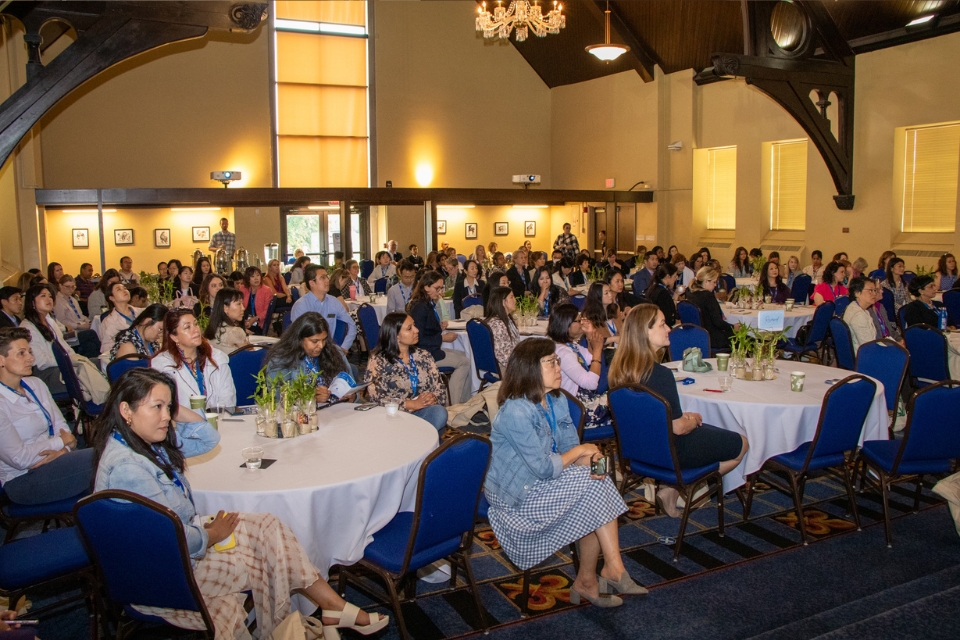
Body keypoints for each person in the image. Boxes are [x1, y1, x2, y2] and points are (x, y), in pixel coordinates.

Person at [92, 368, 388, 638]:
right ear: (126, 411)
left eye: (168, 407)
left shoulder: (141, 443)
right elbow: (169, 538)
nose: (166, 416)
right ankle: (316, 617)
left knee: (269, 527)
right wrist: (211, 536)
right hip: (167, 572)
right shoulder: (128, 468)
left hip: (185, 544)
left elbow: (208, 438)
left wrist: (172, 407)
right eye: (156, 407)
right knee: (266, 559)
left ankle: (329, 607)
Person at [484, 338, 643, 606]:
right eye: (551, 362)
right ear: (530, 369)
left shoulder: (556, 400)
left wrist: (595, 463)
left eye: (557, 361)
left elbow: (570, 447)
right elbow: (546, 467)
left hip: (543, 479)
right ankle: (606, 572)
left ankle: (595, 578)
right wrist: (582, 452)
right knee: (594, 491)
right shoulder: (516, 411)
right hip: (516, 495)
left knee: (597, 484)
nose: (559, 368)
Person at [608, 304, 749, 517]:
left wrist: (684, 418)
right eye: (662, 324)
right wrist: (692, 421)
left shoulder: (619, 371)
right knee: (742, 443)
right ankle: (679, 486)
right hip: (671, 453)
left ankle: (672, 489)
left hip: (638, 450)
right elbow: (679, 428)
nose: (669, 329)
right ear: (645, 332)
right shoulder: (659, 374)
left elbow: (652, 416)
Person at [0, 327, 94, 505]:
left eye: (29, 351)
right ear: (1, 360)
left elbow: (64, 429)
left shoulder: (36, 384)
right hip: (22, 480)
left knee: (110, 459)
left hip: (57, 461)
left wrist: (63, 450)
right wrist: (61, 442)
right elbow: (20, 458)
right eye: (21, 353)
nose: (31, 358)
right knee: (102, 458)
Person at [364, 312, 448, 431]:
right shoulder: (378, 360)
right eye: (409, 328)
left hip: (423, 413)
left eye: (414, 325)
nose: (417, 330)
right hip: (394, 415)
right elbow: (376, 397)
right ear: (396, 335)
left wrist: (433, 397)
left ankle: (415, 438)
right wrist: (410, 404)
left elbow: (440, 387)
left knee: (439, 413)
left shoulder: (423, 355)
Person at [407, 271, 471, 404]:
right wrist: (443, 338)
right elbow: (418, 339)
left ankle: (463, 402)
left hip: (430, 349)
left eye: (441, 288)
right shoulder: (420, 307)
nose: (440, 292)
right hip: (424, 354)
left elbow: (426, 329)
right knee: (465, 362)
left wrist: (438, 328)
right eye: (438, 288)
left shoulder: (425, 303)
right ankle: (452, 404)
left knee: (466, 356)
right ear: (426, 287)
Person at [151, 309, 236, 409]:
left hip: (218, 420)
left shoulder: (216, 357)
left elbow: (228, 397)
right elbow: (167, 405)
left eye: (196, 324)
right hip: (182, 423)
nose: (196, 330)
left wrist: (214, 419)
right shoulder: (162, 364)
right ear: (174, 337)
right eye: (187, 327)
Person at [263, 313, 350, 405]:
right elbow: (277, 395)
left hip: (336, 411)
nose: (321, 346)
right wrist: (310, 397)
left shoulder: (335, 352)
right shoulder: (282, 358)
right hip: (301, 415)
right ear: (299, 339)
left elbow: (351, 384)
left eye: (324, 340)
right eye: (314, 341)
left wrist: (352, 396)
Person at [549, 304, 610, 430]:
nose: (583, 323)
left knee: (619, 394)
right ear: (566, 325)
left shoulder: (569, 346)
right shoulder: (563, 353)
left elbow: (589, 358)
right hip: (577, 410)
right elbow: (591, 383)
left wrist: (589, 336)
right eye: (578, 320)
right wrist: (598, 350)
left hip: (579, 402)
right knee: (622, 402)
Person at [20, 284, 74, 395]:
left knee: (96, 364)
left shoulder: (49, 321)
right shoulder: (27, 327)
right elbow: (41, 361)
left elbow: (64, 346)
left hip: (61, 366)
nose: (48, 299)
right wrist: (68, 361)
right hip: (45, 374)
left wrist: (74, 358)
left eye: (50, 296)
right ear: (32, 302)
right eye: (43, 296)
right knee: (85, 373)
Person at [290, 264, 357, 352]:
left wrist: (344, 347)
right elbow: (299, 336)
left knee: (351, 366)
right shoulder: (301, 305)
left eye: (327, 276)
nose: (327, 280)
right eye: (322, 277)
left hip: (329, 350)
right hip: (307, 352)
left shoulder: (333, 301)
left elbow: (351, 324)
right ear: (312, 283)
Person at [844, 277, 900, 353]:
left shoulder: (860, 308)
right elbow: (869, 347)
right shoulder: (858, 316)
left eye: (875, 290)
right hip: (865, 356)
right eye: (870, 290)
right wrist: (893, 346)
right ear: (857, 293)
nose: (874, 293)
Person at [685, 267, 735, 352]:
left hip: (696, 336)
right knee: (747, 338)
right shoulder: (708, 296)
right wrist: (733, 327)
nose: (715, 285)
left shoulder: (690, 295)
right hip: (713, 338)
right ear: (706, 281)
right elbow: (718, 322)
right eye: (714, 282)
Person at [54, 275, 101, 359]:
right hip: (69, 333)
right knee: (92, 333)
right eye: (67, 287)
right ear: (60, 286)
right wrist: (79, 326)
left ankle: (95, 363)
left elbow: (80, 315)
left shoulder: (73, 299)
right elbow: (62, 321)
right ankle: (101, 355)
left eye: (73, 287)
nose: (70, 289)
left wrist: (89, 321)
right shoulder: (57, 301)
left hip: (79, 329)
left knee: (90, 345)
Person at [98, 282, 142, 361]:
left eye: (125, 288)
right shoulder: (109, 322)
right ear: (112, 298)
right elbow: (107, 349)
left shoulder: (140, 313)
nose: (124, 290)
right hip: (125, 359)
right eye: (119, 289)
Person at [203, 289, 252, 354]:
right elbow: (249, 357)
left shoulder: (211, 329)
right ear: (225, 308)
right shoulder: (236, 331)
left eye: (242, 303)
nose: (243, 308)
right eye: (239, 304)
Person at [484, 286, 520, 373]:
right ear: (503, 302)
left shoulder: (507, 319)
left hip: (511, 361)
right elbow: (502, 355)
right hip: (505, 368)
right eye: (511, 297)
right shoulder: (498, 324)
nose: (515, 300)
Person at [239, 266, 271, 332]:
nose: (256, 278)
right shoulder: (242, 289)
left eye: (258, 275)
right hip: (243, 320)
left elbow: (267, 310)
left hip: (259, 321)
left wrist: (255, 318)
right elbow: (238, 306)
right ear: (248, 279)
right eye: (252, 276)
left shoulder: (267, 290)